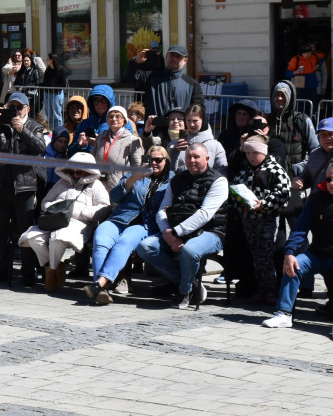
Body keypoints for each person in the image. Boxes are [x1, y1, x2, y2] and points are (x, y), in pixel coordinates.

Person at [136, 142, 229, 308]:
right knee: (145, 246)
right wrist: (167, 233)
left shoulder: (219, 181)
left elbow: (204, 214)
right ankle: (190, 282)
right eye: (188, 157)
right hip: (175, 230)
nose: (192, 160)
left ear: (207, 159)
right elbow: (161, 211)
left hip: (211, 232)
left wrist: (176, 233)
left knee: (189, 250)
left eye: (196, 157)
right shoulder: (177, 180)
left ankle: (184, 291)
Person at [86, 145, 172, 304]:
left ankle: (99, 285)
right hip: (120, 219)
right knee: (100, 238)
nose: (154, 163)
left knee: (123, 243)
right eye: (150, 159)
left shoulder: (172, 179)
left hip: (145, 225)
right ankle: (100, 290)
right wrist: (134, 178)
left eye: (158, 160)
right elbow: (115, 196)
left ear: (166, 161)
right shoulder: (136, 174)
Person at [0, 92, 49, 285]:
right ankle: (2, 270)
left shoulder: (34, 127)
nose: (15, 111)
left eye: (19, 107)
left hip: (24, 186)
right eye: (11, 107)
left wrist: (22, 130)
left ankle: (28, 273)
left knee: (25, 232)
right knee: (0, 231)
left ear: (27, 109)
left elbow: (40, 148)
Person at [19, 153, 109, 292]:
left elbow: (104, 207)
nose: (74, 174)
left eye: (79, 171)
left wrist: (80, 211)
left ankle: (51, 272)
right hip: (55, 220)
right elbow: (45, 202)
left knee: (58, 238)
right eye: (71, 170)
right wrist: (56, 208)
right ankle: (53, 265)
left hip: (80, 223)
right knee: (33, 238)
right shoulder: (61, 183)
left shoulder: (96, 185)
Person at [262, 160, 333, 329]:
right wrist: (289, 252)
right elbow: (300, 228)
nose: (331, 183)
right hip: (318, 254)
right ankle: (284, 314)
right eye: (329, 179)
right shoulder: (316, 199)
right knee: (294, 264)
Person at [231, 135, 290, 305]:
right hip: (248, 219)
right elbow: (235, 189)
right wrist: (239, 202)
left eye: (254, 152)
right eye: (247, 152)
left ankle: (272, 291)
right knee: (256, 256)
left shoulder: (274, 169)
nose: (250, 156)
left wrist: (263, 204)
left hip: (267, 219)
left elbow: (284, 193)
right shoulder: (244, 170)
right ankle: (261, 289)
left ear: (263, 152)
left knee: (266, 255)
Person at [141, 45, 203, 137]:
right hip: (156, 133)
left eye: (178, 57)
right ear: (166, 56)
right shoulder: (152, 79)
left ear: (185, 60)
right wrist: (136, 61)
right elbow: (131, 77)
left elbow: (198, 111)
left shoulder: (192, 84)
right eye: (171, 55)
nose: (174, 59)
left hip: (181, 135)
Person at [269, 79, 319, 169]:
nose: (280, 98)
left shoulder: (302, 120)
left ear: (290, 97)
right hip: (271, 174)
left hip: (295, 176)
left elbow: (315, 150)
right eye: (277, 95)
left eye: (283, 95)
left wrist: (300, 168)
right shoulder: (266, 120)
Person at [92, 105, 143, 191]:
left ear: (124, 120)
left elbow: (137, 166)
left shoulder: (133, 140)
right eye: (111, 116)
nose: (114, 119)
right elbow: (92, 160)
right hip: (98, 185)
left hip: (119, 187)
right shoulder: (100, 138)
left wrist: (129, 184)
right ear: (107, 120)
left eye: (118, 116)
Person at [169, 104, 226, 175]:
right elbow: (169, 172)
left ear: (203, 121)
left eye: (195, 121)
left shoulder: (215, 145)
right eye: (188, 120)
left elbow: (222, 171)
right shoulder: (175, 143)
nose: (191, 124)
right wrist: (174, 152)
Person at [41, 53, 68, 132]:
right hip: (48, 93)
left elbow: (63, 84)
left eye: (48, 59)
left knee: (56, 114)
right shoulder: (48, 69)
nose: (46, 60)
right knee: (49, 113)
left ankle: (59, 131)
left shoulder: (60, 70)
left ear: (52, 60)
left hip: (56, 94)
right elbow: (45, 81)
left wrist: (53, 87)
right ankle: (51, 130)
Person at [12, 51, 42, 117]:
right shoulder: (21, 71)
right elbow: (16, 83)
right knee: (22, 112)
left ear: (31, 61)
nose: (26, 62)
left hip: (32, 95)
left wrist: (26, 87)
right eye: (24, 61)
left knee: (32, 113)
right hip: (22, 95)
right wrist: (18, 87)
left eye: (27, 61)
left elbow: (36, 83)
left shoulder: (34, 71)